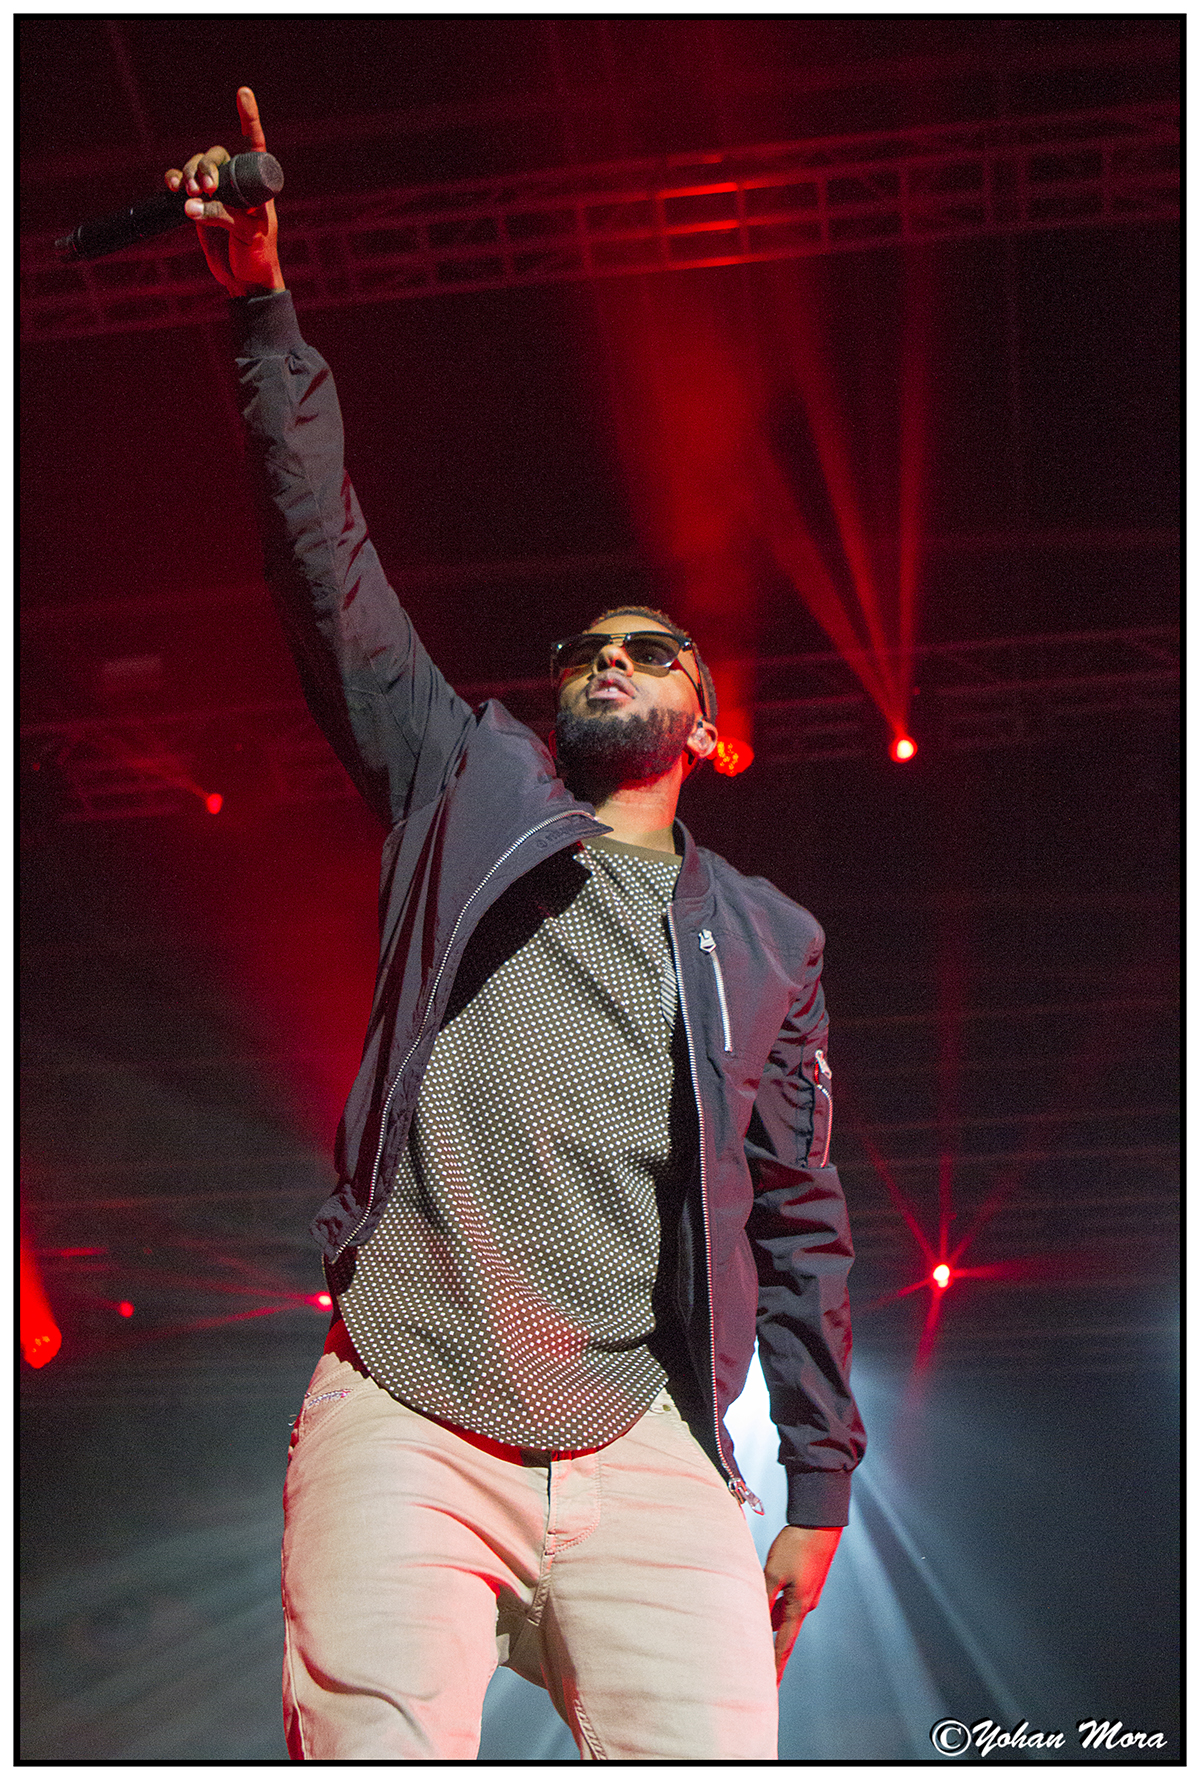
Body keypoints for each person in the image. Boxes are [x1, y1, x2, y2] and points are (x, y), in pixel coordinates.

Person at [169, 88, 865, 1762]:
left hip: (645, 1440)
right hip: (406, 1405)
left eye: (649, 648)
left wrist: (821, 1479)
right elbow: (330, 575)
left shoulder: (768, 940)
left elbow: (801, 1211)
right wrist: (263, 312)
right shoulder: (463, 782)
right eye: (586, 649)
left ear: (709, 722)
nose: (609, 657)